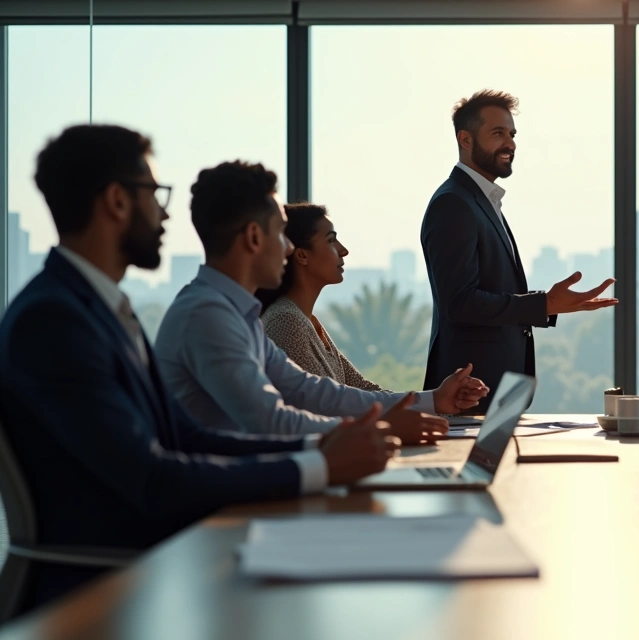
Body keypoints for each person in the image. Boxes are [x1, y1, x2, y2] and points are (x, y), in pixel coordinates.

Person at [0, 125, 402, 612]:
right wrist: (319, 464)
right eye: (154, 192)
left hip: (162, 557)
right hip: (102, 591)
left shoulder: (102, 307)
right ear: (116, 202)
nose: (166, 211)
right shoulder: (55, 320)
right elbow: (151, 478)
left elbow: (184, 436)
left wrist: (322, 447)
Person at [155, 161, 487, 440]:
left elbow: (313, 391)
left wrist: (431, 400)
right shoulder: (209, 315)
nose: (287, 248)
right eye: (281, 233)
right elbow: (271, 420)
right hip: (226, 508)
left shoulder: (235, 314)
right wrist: (384, 428)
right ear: (255, 237)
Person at [420, 90, 617, 410]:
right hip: (468, 393)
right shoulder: (453, 203)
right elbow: (459, 303)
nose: (509, 143)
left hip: (496, 390)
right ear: (465, 139)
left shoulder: (481, 200)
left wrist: (547, 305)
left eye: (511, 134)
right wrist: (544, 304)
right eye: (497, 133)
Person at [257, 203, 427, 391]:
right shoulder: (286, 321)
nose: (343, 250)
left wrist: (434, 400)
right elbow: (326, 402)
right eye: (331, 241)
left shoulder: (307, 321)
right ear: (302, 255)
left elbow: (362, 389)